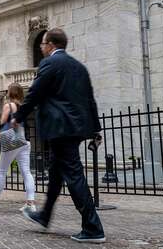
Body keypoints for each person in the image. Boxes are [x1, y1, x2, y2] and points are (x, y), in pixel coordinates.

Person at [12, 28, 105, 243]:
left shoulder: (49, 64)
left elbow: (35, 92)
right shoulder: (79, 67)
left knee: (73, 175)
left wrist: (19, 115)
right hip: (75, 127)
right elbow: (90, 100)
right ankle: (45, 216)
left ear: (51, 44)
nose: (41, 48)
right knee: (55, 173)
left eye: (43, 44)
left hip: (60, 127)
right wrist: (95, 130)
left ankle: (93, 228)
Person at [0, 82, 36, 211]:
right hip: (24, 141)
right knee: (26, 172)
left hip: (12, 141)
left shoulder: (8, 105)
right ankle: (31, 203)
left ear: (10, 92)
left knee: (1, 171)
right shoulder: (22, 106)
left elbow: (3, 121)